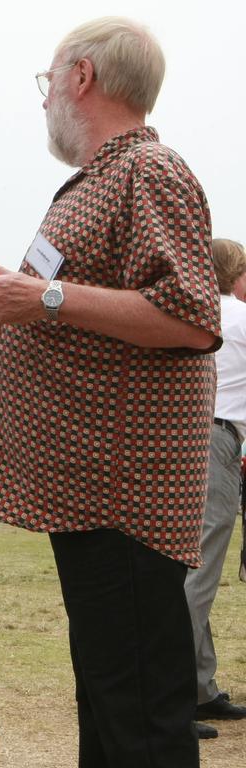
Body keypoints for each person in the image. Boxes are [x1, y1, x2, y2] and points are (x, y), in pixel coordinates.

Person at [0, 17, 220, 767]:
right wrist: (0, 313)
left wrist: (46, 300)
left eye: (47, 81)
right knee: (108, 709)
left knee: (139, 724)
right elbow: (88, 326)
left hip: (125, 499)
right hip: (94, 496)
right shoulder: (99, 181)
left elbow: (191, 315)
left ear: (83, 78)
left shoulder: (149, 172)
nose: (43, 102)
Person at [184, 238, 246, 735]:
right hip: (218, 439)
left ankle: (201, 687)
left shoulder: (199, 314)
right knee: (198, 574)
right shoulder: (240, 318)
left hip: (186, 437)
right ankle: (174, 695)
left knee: (191, 564)